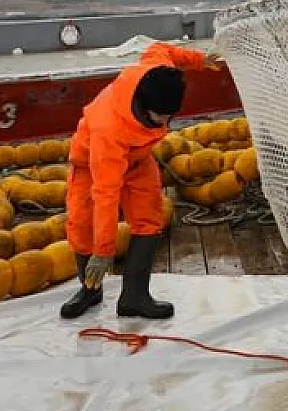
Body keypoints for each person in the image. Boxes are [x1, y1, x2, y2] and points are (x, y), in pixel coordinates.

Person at [59, 40, 215, 320]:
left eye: (170, 117)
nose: (165, 123)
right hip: (92, 164)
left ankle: (134, 296)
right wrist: (104, 252)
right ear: (143, 107)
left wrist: (201, 60)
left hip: (138, 160)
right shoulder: (109, 129)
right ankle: (90, 289)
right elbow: (106, 193)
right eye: (160, 118)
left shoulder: (158, 71)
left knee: (148, 220)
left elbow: (163, 49)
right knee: (84, 225)